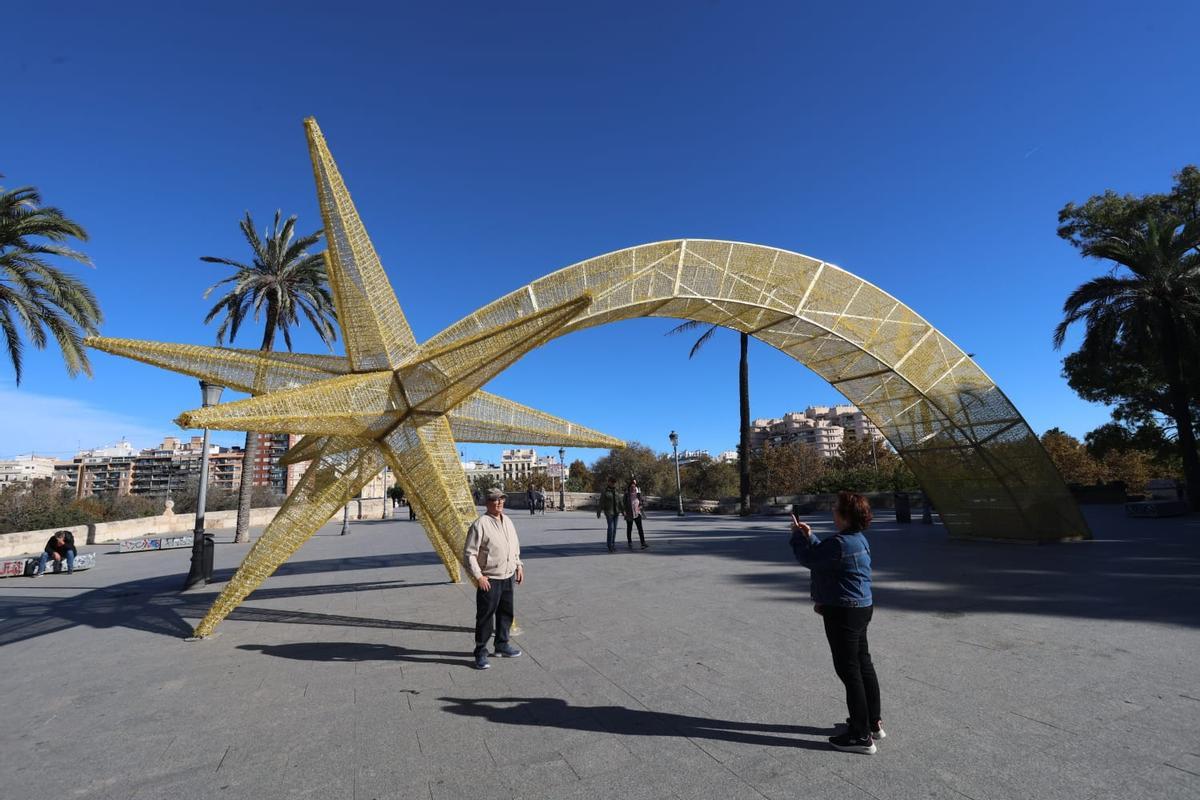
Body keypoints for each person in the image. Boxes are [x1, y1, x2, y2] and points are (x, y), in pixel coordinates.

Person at [789, 491, 884, 755]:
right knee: (863, 664)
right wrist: (810, 536)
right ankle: (872, 722)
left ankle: (860, 736)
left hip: (843, 612)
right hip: (861, 607)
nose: (832, 511)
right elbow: (826, 554)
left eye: (836, 507)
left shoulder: (841, 543)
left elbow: (809, 559)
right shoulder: (856, 539)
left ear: (845, 515)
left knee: (849, 671)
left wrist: (798, 536)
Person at [463, 488, 525, 670]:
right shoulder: (480, 524)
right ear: (487, 502)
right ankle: (481, 652)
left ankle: (502, 644)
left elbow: (514, 546)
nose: (499, 503)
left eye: (501, 499)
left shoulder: (508, 521)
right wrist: (479, 576)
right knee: (485, 617)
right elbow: (469, 554)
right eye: (494, 500)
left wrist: (519, 565)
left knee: (506, 613)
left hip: (508, 575)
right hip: (490, 578)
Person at [597, 476, 623, 552]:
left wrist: (623, 510)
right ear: (608, 482)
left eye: (614, 482)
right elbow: (601, 502)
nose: (613, 484)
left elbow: (620, 501)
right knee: (610, 528)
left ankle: (613, 544)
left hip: (616, 512)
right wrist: (599, 511)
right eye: (612, 482)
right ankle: (609, 545)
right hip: (609, 512)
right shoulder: (605, 491)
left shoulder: (617, 491)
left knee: (614, 529)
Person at [623, 478, 648, 550]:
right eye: (632, 486)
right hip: (629, 514)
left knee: (640, 529)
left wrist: (640, 507)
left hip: (637, 514)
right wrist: (624, 512)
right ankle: (629, 542)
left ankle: (643, 543)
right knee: (629, 528)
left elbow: (642, 503)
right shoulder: (627, 495)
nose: (633, 488)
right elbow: (623, 504)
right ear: (629, 487)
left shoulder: (638, 495)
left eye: (634, 486)